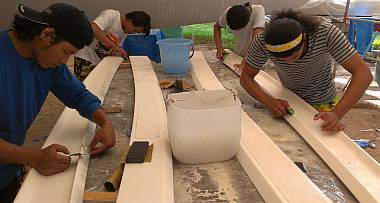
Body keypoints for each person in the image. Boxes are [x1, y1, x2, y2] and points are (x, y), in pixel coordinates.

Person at [0, 3, 116, 202]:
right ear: (46, 35)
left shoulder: (47, 62)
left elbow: (78, 95)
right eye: (66, 52)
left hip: (8, 172)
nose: (65, 61)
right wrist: (34, 157)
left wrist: (105, 122)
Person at [240, 9, 373, 133]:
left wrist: (337, 113)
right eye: (282, 60)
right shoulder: (262, 40)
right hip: (290, 100)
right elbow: (246, 77)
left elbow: (364, 74)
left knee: (326, 140)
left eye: (295, 57)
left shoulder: (325, 32)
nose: (290, 63)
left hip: (324, 101)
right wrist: (269, 102)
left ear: (304, 38)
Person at [74, 9, 151, 79]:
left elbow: (112, 49)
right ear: (131, 21)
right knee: (84, 88)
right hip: (85, 58)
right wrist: (114, 46)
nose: (132, 33)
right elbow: (93, 28)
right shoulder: (112, 15)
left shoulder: (124, 32)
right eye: (135, 30)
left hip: (98, 62)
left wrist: (117, 52)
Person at [214, 2, 265, 68]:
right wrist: (219, 48)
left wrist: (247, 60)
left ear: (248, 21)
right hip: (237, 55)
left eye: (239, 29)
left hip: (255, 58)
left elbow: (256, 40)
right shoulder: (229, 12)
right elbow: (217, 27)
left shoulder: (258, 10)